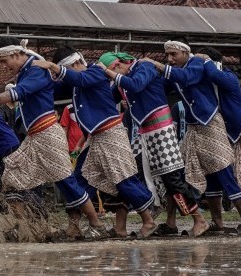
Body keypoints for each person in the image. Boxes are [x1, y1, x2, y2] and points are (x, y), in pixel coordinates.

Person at [0, 37, 111, 239]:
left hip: (48, 134)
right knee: (12, 177)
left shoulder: (35, 71)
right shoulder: (26, 72)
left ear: (16, 55)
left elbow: (17, 94)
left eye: (4, 61)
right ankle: (21, 227)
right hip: (35, 136)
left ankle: (96, 224)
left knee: (66, 182)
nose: (3, 66)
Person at [31, 45, 157, 238]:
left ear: (75, 63)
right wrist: (34, 77)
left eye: (66, 69)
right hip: (96, 137)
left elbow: (78, 78)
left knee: (123, 179)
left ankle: (148, 220)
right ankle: (74, 225)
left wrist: (52, 67)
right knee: (80, 180)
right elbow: (55, 87)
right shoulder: (75, 78)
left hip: (111, 133)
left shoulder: (95, 72)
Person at [143, 37, 241, 234]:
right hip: (194, 129)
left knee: (224, 173)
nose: (169, 58)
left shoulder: (198, 64)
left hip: (210, 125)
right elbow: (163, 84)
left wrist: (155, 64)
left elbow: (185, 78)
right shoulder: (177, 72)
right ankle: (177, 224)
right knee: (176, 173)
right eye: (166, 55)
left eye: (173, 54)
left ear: (186, 53)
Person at [98, 51, 208, 237]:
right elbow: (108, 98)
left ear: (117, 66)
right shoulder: (121, 79)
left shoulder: (144, 67)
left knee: (172, 178)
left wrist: (108, 74)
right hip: (143, 133)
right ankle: (128, 225)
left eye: (110, 71)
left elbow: (136, 84)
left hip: (161, 130)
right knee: (129, 174)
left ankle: (200, 220)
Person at [194, 47, 241, 232]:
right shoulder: (207, 80)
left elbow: (215, 75)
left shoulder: (228, 76)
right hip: (226, 133)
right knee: (215, 173)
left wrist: (204, 61)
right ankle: (218, 222)